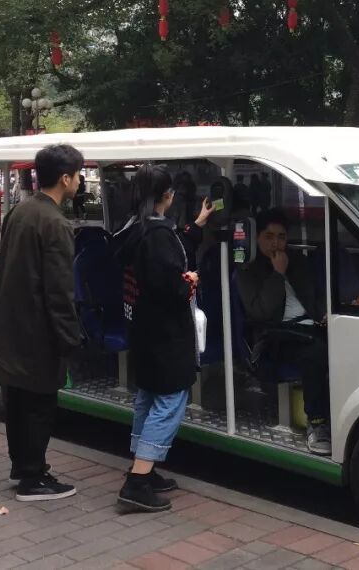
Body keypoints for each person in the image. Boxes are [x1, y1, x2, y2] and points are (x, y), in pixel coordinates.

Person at [0, 144, 84, 502]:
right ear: (65, 178)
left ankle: (22, 466)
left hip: (11, 323)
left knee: (18, 403)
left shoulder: (20, 211)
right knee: (39, 405)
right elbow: (59, 290)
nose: (80, 181)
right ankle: (33, 478)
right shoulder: (55, 223)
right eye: (78, 175)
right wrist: (70, 337)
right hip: (37, 330)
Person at [116, 164, 209, 513]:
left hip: (143, 331)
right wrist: (190, 280)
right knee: (170, 400)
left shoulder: (134, 229)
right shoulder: (157, 235)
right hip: (165, 335)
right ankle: (137, 482)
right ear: (167, 196)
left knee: (148, 397)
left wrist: (197, 224)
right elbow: (170, 286)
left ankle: (143, 467)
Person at [235, 208, 331, 455]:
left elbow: (316, 295)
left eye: (281, 237)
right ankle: (317, 422)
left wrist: (324, 314)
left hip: (310, 327)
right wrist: (277, 274)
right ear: (256, 239)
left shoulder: (298, 262)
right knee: (316, 352)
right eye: (268, 237)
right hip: (276, 335)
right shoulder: (247, 271)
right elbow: (260, 312)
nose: (275, 243)